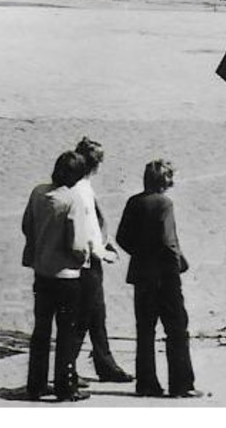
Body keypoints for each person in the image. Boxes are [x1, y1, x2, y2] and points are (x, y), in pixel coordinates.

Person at [115, 159, 202, 399]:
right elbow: (168, 239)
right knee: (176, 328)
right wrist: (179, 262)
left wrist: (141, 253)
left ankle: (146, 383)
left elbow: (122, 237)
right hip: (164, 274)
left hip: (141, 273)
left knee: (145, 330)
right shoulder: (164, 203)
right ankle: (181, 384)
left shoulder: (134, 202)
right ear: (165, 180)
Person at [21, 150, 91, 402]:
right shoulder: (72, 199)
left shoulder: (39, 192)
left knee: (41, 330)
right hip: (66, 274)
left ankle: (36, 383)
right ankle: (65, 385)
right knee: (66, 332)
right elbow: (77, 243)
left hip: (42, 271)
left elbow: (26, 225)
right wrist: (83, 257)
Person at [73, 138, 132, 384]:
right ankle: (72, 368)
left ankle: (104, 363)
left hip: (90, 258)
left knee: (96, 315)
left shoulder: (82, 186)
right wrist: (102, 251)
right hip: (86, 261)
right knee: (86, 315)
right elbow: (85, 229)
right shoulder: (80, 190)